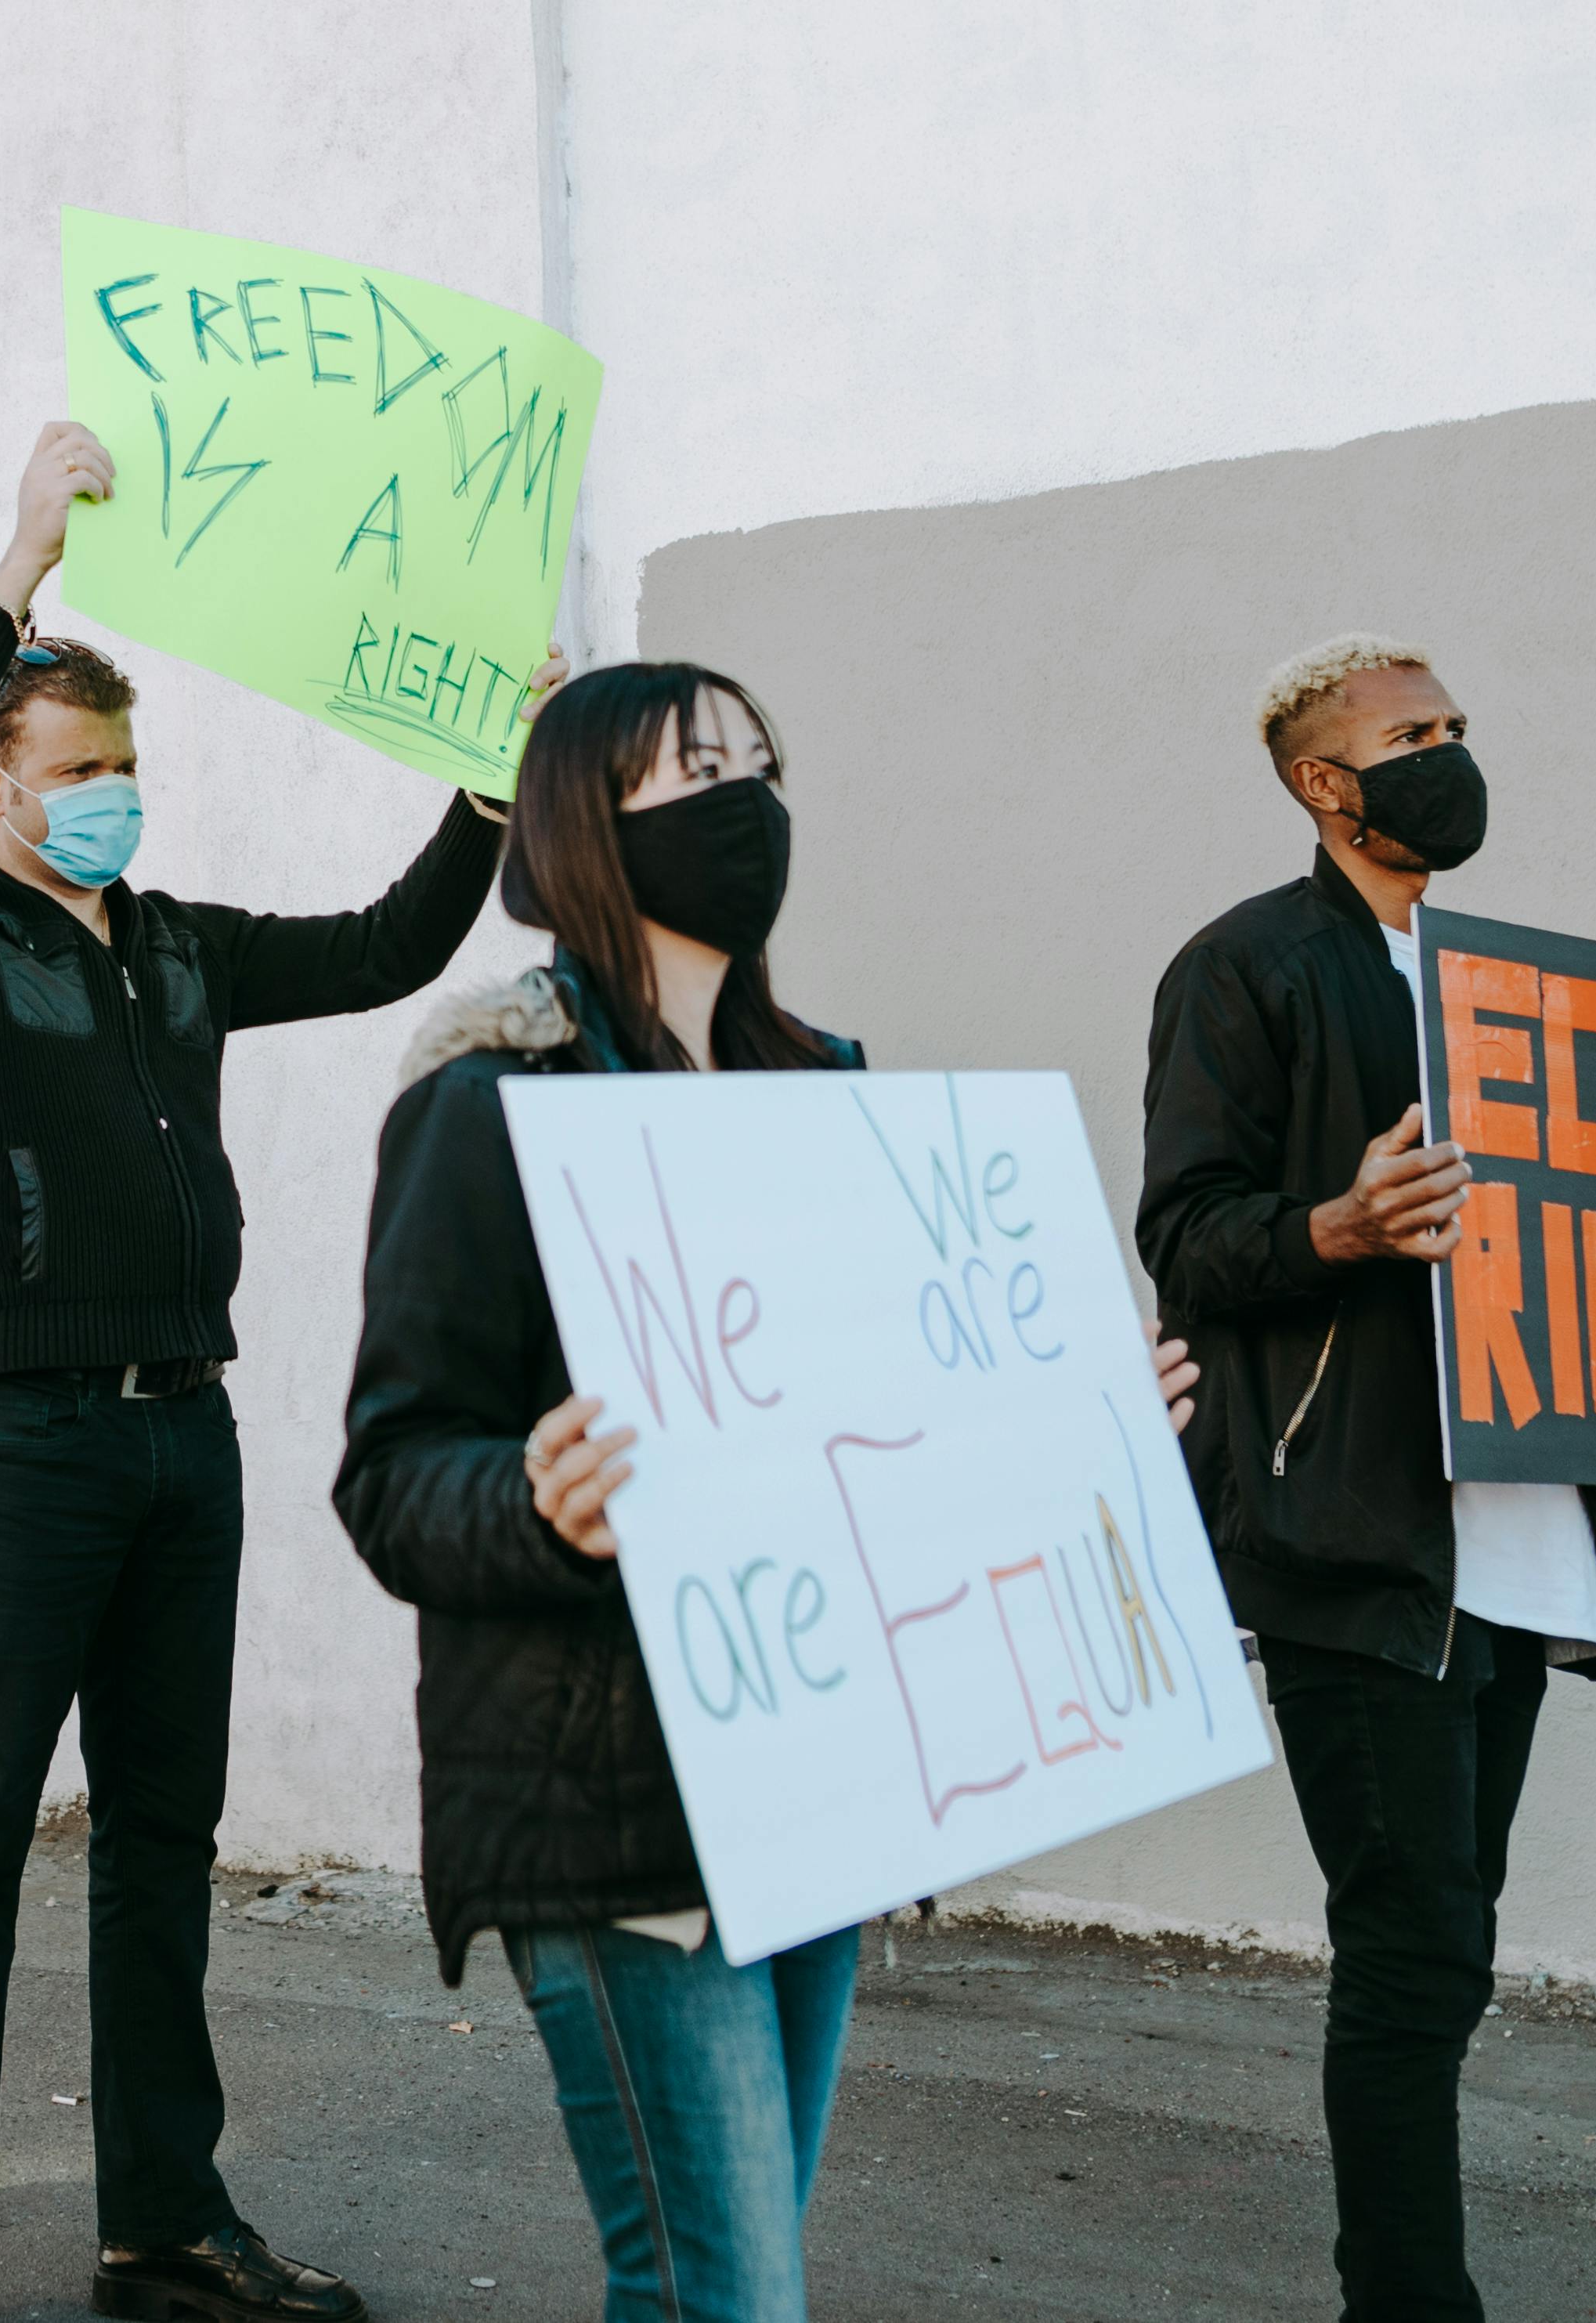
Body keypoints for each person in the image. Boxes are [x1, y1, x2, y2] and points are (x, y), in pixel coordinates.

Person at [333, 663, 1199, 2323]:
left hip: (817, 1776)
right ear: (590, 818)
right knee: (721, 2288)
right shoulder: (489, 1099)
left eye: (760, 765)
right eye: (695, 772)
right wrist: (535, 1502)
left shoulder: (828, 1096)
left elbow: (893, 1440)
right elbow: (391, 1471)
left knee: (729, 2279)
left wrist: (1088, 1429)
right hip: (611, 1809)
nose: (747, 803)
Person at [0, 422, 536, 2323]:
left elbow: (393, 944)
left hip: (184, 1445)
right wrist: (16, 566)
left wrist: (488, 782)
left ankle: (166, 2212)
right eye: (74, 773)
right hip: (10, 1448)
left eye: (125, 771)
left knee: (162, 1844)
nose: (108, 799)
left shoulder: (177, 950)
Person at [1136, 636, 1596, 2323]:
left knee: (1441, 1947)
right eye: (1409, 737)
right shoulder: (1243, 969)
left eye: (1456, 728)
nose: (1447, 756)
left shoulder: (1519, 994)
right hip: (1354, 1534)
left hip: (1523, 1533)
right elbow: (1183, 1235)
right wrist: (1341, 1220)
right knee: (1414, 1949)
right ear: (1325, 784)